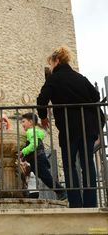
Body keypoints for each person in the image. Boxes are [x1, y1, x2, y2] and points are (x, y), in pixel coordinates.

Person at [37, 46, 100, 208]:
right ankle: (91, 202)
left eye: (50, 63)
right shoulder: (80, 78)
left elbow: (41, 100)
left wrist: (43, 117)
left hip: (68, 128)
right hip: (88, 127)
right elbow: (96, 97)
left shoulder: (53, 79)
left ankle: (76, 202)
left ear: (56, 61)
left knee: (69, 164)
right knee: (88, 164)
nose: (50, 67)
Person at [20, 112, 67, 200]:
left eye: (23, 121)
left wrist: (23, 152)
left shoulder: (31, 131)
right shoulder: (34, 132)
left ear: (30, 122)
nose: (22, 124)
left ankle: (61, 191)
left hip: (37, 159)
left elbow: (34, 145)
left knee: (46, 177)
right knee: (42, 176)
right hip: (37, 159)